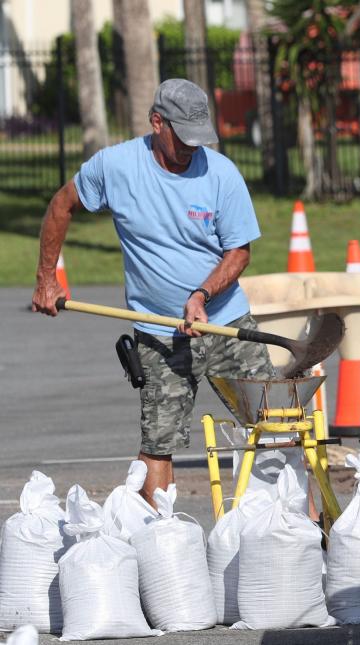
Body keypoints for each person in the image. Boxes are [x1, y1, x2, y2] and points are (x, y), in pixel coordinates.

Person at [31, 79, 274, 509]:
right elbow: (61, 205)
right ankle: (162, 546)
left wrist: (201, 294)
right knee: (157, 445)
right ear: (157, 122)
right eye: (183, 138)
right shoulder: (116, 166)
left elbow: (239, 252)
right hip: (160, 335)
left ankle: (309, 533)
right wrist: (46, 278)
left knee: (274, 428)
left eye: (199, 138)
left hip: (225, 322)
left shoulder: (220, 173)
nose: (192, 149)